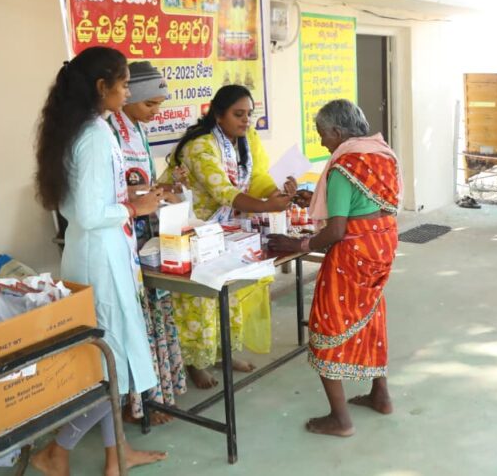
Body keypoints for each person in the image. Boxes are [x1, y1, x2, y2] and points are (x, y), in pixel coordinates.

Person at [32, 47, 167, 475]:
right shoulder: (93, 135)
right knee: (110, 368)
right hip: (99, 259)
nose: (128, 92)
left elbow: (89, 202)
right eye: (125, 84)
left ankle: (116, 455)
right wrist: (134, 208)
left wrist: (127, 201)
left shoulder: (90, 128)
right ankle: (58, 451)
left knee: (111, 360)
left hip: (101, 253)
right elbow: (90, 214)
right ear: (101, 87)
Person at [267, 99, 402, 437]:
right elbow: (365, 202)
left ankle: (340, 419)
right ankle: (380, 395)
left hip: (353, 253)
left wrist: (298, 245)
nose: (322, 143)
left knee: (329, 324)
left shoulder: (344, 165)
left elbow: (337, 230)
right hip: (382, 245)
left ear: (338, 132)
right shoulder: (382, 154)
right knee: (371, 314)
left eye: (322, 136)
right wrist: (313, 198)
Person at [164, 85, 296, 389]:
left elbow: (248, 183)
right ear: (218, 114)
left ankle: (224, 353)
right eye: (239, 114)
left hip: (225, 233)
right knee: (199, 303)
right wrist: (266, 206)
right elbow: (225, 193)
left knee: (228, 296)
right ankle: (195, 362)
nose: (246, 120)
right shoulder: (201, 147)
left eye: (249, 114)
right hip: (192, 234)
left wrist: (278, 193)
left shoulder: (239, 144)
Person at [106, 61, 187, 425]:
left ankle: (154, 397)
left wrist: (162, 190)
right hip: (123, 238)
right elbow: (110, 191)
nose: (157, 112)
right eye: (150, 104)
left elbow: (142, 182)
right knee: (131, 322)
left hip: (149, 234)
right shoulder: (107, 131)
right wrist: (141, 197)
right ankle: (135, 403)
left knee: (152, 316)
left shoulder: (136, 130)